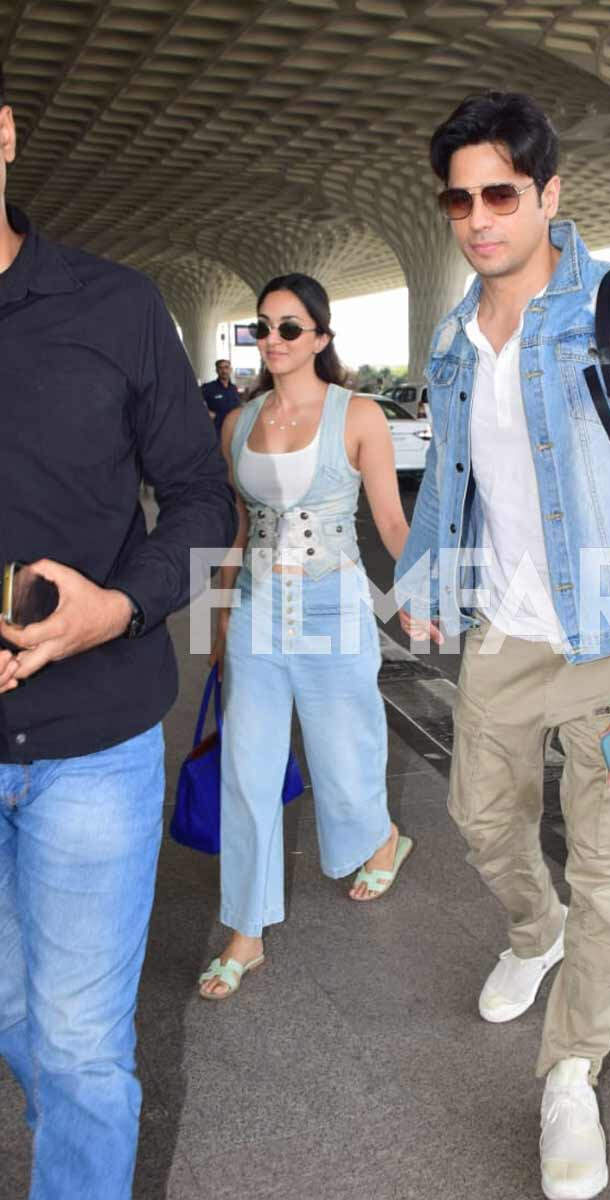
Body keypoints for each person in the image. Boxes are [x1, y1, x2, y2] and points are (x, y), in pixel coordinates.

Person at [396, 92, 610, 1200]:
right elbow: (454, 486)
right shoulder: (455, 340)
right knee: (480, 821)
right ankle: (528, 928)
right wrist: (425, 586)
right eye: (458, 196)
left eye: (500, 191)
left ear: (550, 194)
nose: (477, 217)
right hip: (504, 640)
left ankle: (571, 1075)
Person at [0, 66, 236, 1200]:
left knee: (86, 1047)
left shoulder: (118, 305)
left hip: (94, 745)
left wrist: (121, 607)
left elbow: (204, 506)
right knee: (19, 1020)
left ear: (2, 132)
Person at [198, 272, 413, 1000]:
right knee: (247, 769)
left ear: (321, 336)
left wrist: (412, 594)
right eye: (264, 326)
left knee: (342, 752)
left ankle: (380, 837)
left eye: (291, 327)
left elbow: (388, 522)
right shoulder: (238, 422)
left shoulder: (359, 416)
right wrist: (220, 619)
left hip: (332, 605)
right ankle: (246, 931)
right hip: (259, 607)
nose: (274, 339)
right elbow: (234, 531)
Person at [202, 357, 242, 434]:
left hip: (233, 429)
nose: (224, 371)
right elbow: (195, 401)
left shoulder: (233, 388)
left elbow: (238, 406)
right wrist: (206, 412)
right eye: (220, 368)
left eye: (226, 367)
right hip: (217, 430)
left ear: (230, 369)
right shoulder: (208, 387)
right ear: (216, 371)